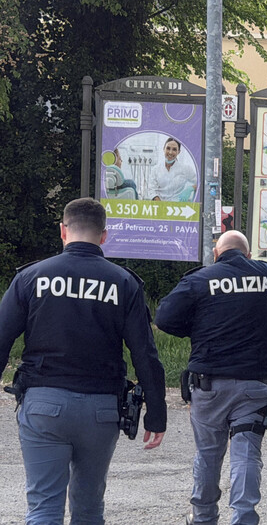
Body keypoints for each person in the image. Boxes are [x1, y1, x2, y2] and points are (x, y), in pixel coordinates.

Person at [0, 197, 166, 523]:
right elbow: (145, 353)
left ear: (63, 230)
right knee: (89, 509)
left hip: (44, 405)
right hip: (102, 410)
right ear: (104, 236)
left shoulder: (31, 277)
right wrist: (156, 414)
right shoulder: (124, 283)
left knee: (44, 508)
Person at [156, 231, 267, 525]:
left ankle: (202, 518)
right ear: (248, 255)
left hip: (209, 386)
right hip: (254, 385)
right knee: (246, 454)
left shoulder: (199, 280)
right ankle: (244, 518)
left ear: (216, 254)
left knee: (208, 455)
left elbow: (163, 317)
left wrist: (199, 327)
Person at [152, 137, 197, 202]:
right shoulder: (155, 169)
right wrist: (160, 204)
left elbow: (201, 183)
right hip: (160, 206)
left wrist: (191, 188)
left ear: (178, 152)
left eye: (174, 149)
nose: (170, 152)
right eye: (168, 148)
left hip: (178, 207)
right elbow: (151, 190)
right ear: (163, 149)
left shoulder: (185, 169)